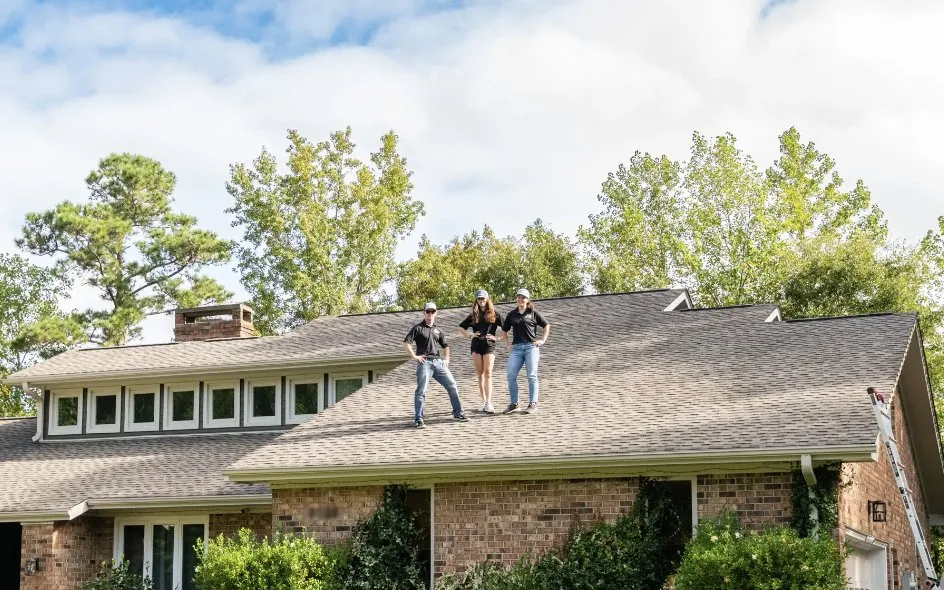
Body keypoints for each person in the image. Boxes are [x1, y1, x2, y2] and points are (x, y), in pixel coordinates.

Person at [403, 302, 469, 428]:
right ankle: (418, 419)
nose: (430, 314)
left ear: (436, 313)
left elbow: (446, 346)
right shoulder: (418, 328)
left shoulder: (438, 330)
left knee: (452, 385)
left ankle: (458, 413)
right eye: (428, 312)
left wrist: (447, 359)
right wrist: (415, 356)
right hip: (425, 362)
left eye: (432, 312)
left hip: (438, 363)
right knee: (421, 390)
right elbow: (407, 343)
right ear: (424, 313)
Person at [502, 288, 550, 415]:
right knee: (511, 376)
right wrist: (507, 344)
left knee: (532, 375)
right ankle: (514, 404)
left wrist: (543, 340)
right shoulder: (511, 314)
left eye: (523, 297)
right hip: (516, 349)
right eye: (518, 297)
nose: (520, 299)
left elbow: (546, 325)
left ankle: (533, 403)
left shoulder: (533, 312)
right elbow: (504, 330)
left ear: (527, 299)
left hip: (531, 347)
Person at [457, 289, 504, 414]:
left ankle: (489, 402)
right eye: (479, 299)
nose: (481, 301)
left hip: (489, 346)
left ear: (487, 299)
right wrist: (470, 335)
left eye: (483, 299)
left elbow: (506, 329)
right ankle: (483, 402)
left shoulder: (495, 314)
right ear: (476, 301)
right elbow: (460, 328)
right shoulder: (473, 315)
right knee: (480, 373)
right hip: (476, 345)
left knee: (488, 372)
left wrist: (497, 337)